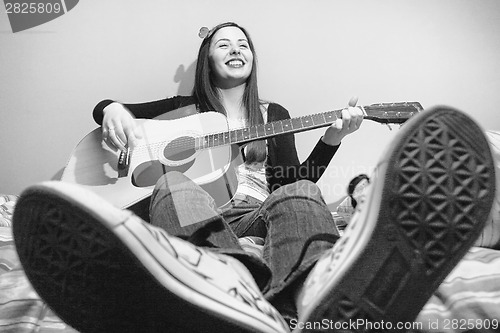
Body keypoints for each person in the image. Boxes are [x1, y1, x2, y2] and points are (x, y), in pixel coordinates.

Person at [12, 22, 496, 333]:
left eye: (243, 43)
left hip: (260, 213)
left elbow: (292, 180)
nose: (236, 48)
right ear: (208, 59)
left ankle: (308, 295)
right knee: (171, 183)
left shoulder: (273, 114)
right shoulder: (182, 110)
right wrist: (111, 110)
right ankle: (228, 281)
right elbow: (110, 110)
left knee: (303, 192)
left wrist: (331, 140)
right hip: (202, 213)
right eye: (224, 43)